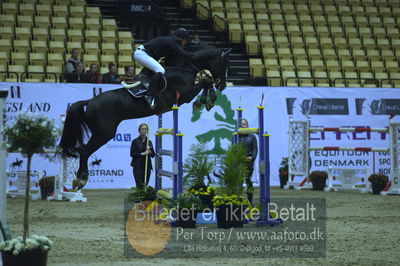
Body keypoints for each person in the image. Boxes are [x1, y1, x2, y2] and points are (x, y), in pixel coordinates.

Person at [133, 28, 193, 109]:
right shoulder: (173, 42)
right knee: (160, 70)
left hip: (143, 53)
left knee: (159, 67)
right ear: (181, 38)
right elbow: (182, 53)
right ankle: (149, 95)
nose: (186, 43)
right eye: (186, 40)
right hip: (142, 54)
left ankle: (143, 76)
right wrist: (196, 53)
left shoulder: (171, 41)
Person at [238, 118, 258, 205]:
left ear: (247, 125)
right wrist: (240, 157)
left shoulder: (252, 137)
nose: (242, 126)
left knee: (249, 182)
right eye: (241, 124)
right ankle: (238, 201)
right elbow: (234, 148)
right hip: (239, 162)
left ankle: (250, 201)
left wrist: (252, 157)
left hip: (249, 162)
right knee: (239, 182)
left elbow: (255, 149)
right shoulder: (236, 136)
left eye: (244, 124)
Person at [130, 123, 155, 188]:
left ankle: (144, 198)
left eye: (145, 129)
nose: (144, 130)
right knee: (139, 185)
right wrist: (143, 153)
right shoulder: (135, 141)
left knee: (145, 185)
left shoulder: (149, 142)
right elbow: (132, 154)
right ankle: (139, 198)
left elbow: (153, 155)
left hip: (147, 166)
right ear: (139, 130)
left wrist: (149, 151)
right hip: (137, 166)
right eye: (142, 129)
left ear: (147, 131)